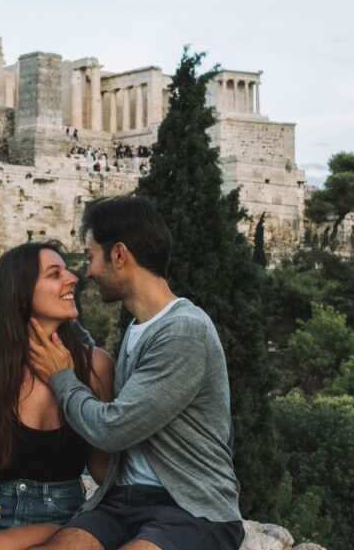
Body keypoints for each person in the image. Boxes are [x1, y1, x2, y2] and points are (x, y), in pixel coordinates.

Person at [27, 196, 245, 550]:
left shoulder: (184, 332)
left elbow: (113, 429)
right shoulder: (138, 327)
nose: (88, 271)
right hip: (124, 502)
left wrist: (62, 378)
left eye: (93, 256)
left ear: (119, 255)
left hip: (191, 509)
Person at [0, 241, 115, 550]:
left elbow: (102, 467)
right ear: (22, 293)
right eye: (55, 274)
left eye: (66, 270)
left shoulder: (95, 366)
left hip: (60, 513)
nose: (72, 279)